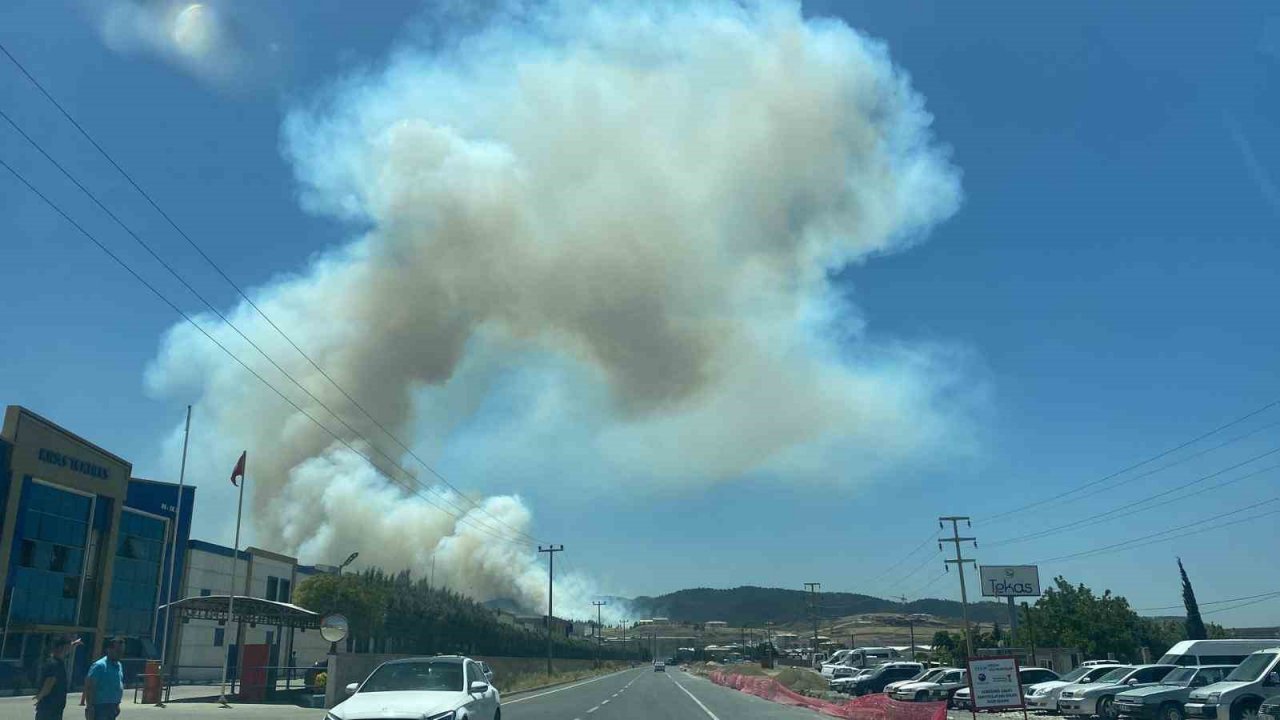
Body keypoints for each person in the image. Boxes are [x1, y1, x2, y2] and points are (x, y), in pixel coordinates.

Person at [83, 638, 124, 720]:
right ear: (108, 650)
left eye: (122, 651)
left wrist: (117, 704)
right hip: (100, 706)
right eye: (118, 651)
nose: (120, 654)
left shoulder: (119, 665)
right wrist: (90, 707)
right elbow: (89, 687)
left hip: (113, 707)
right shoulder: (99, 666)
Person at [34, 636, 71, 720]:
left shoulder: (58, 662)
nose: (68, 651)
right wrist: (40, 696)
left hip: (55, 708)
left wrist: (73, 643)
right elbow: (49, 682)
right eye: (67, 648)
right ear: (60, 648)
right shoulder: (53, 664)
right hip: (49, 707)